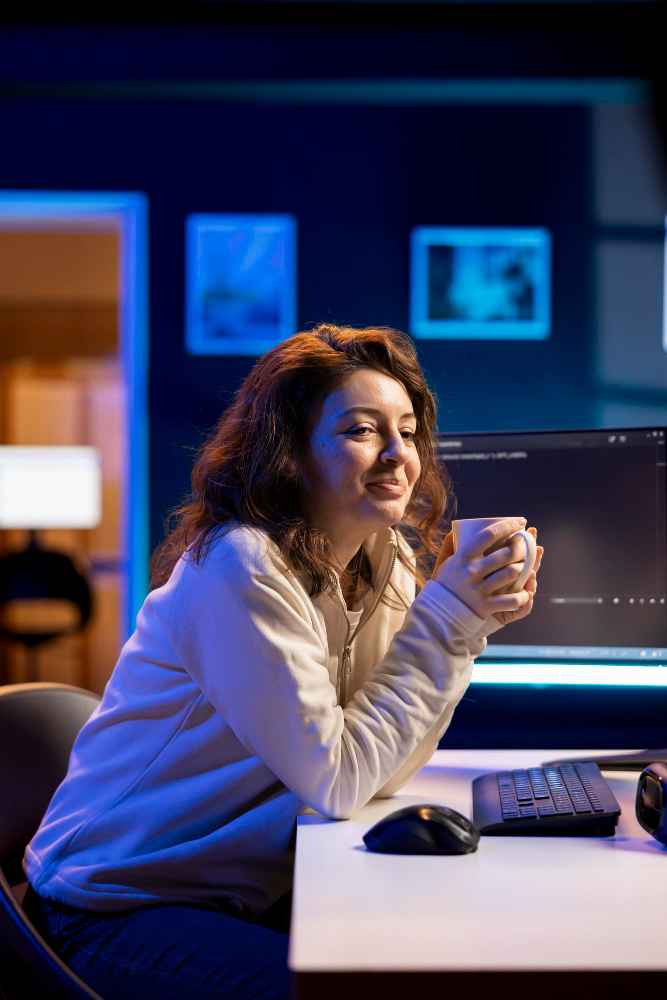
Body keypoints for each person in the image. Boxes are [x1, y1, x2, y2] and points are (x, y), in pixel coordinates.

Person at [22, 323, 543, 1000]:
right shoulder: (239, 566)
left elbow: (380, 767)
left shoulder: (382, 565)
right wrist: (450, 619)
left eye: (407, 431)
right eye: (361, 430)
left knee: (443, 958)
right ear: (290, 452)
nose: (397, 454)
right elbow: (337, 782)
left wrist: (465, 624)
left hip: (227, 893)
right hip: (109, 909)